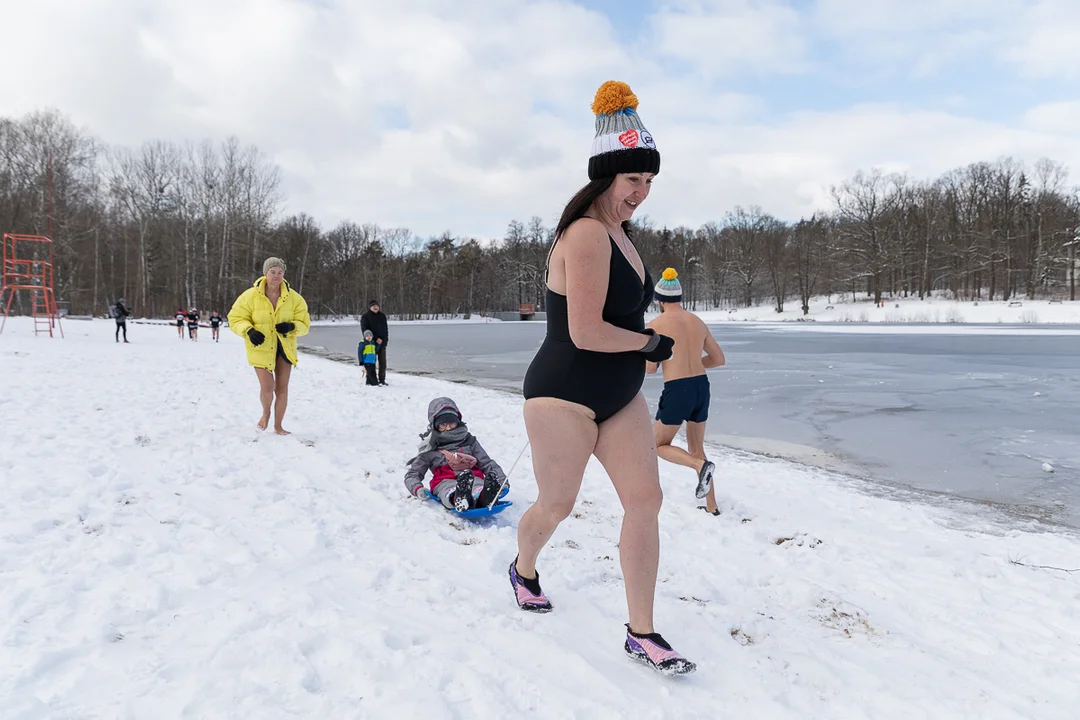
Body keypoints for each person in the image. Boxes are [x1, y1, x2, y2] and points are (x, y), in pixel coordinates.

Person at [515, 80, 694, 675]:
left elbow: (615, 315)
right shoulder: (587, 232)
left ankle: (641, 632)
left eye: (648, 181)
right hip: (562, 393)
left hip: (619, 396)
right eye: (632, 180)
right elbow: (587, 331)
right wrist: (650, 341)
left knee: (647, 501)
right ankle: (524, 568)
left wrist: (645, 336)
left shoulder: (624, 235)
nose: (641, 192)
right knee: (557, 505)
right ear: (605, 177)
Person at [646, 268, 726, 515]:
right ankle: (712, 506)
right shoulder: (697, 321)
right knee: (697, 446)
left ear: (659, 300)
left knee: (657, 445)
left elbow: (650, 369)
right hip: (701, 387)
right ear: (679, 297)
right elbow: (718, 359)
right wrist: (692, 363)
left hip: (677, 389)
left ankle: (698, 465)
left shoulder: (656, 324)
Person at [228, 257, 311, 435]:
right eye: (272, 272)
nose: (276, 276)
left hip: (284, 347)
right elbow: (235, 318)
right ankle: (265, 413)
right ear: (265, 273)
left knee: (282, 388)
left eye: (280, 272)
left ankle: (278, 426)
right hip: (260, 347)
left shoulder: (294, 298)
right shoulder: (250, 296)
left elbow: (304, 324)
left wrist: (292, 326)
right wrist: (249, 331)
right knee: (268, 387)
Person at [404, 397, 507, 511]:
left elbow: (486, 463)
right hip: (444, 481)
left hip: (472, 477)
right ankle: (459, 498)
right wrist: (417, 488)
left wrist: (502, 481)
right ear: (435, 425)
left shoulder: (469, 441)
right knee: (448, 490)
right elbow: (413, 474)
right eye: (443, 424)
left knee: (478, 486)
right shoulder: (430, 447)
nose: (448, 427)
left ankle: (485, 496)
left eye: (451, 423)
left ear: (458, 422)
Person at [360, 300, 388, 385]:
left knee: (382, 362)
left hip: (382, 343)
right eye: (374, 306)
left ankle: (382, 379)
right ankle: (371, 380)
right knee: (370, 362)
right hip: (370, 343)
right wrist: (375, 339)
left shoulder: (382, 316)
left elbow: (385, 329)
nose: (376, 307)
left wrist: (385, 340)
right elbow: (365, 330)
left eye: (377, 306)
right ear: (370, 307)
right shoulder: (365, 317)